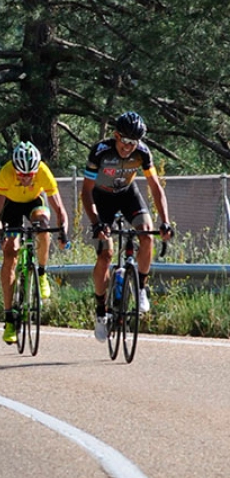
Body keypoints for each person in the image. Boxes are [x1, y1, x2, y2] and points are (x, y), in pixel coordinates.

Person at [81, 111, 173, 341]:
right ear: (116, 135)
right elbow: (86, 191)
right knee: (106, 254)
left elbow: (154, 187)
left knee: (147, 236)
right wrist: (96, 223)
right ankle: (101, 311)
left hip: (127, 195)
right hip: (102, 199)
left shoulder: (142, 153)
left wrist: (165, 221)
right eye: (125, 141)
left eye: (134, 142)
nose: (128, 147)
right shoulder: (101, 151)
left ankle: (141, 288)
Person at [0, 142, 69, 344]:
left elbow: (60, 210)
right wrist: (0, 235)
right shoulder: (6, 173)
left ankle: (41, 273)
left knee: (43, 225)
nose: (25, 178)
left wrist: (63, 233)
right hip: (11, 207)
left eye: (29, 175)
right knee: (11, 253)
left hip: (34, 203)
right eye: (21, 175)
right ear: (14, 170)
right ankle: (9, 318)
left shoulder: (43, 171)